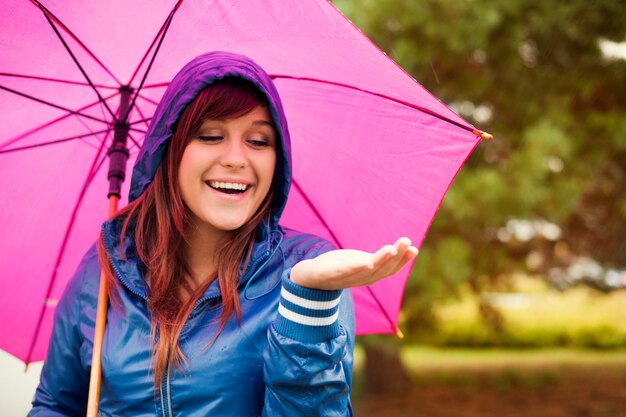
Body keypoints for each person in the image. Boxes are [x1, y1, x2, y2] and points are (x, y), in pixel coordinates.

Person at [29, 51, 417, 417]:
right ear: (170, 150)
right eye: (211, 136)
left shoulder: (309, 271)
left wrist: (307, 302)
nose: (236, 158)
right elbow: (56, 404)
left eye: (258, 141)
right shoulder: (106, 267)